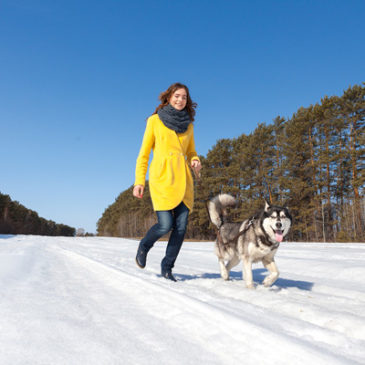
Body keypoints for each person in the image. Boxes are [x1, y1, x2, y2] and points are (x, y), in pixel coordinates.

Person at [133, 82, 202, 281]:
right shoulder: (154, 121)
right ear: (169, 97)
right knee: (165, 224)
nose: (180, 100)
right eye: (177, 96)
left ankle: (167, 267)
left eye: (184, 97)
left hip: (184, 180)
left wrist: (196, 161)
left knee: (180, 228)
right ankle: (144, 245)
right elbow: (144, 154)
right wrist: (139, 181)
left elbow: (191, 152)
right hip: (162, 179)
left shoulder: (189, 125)